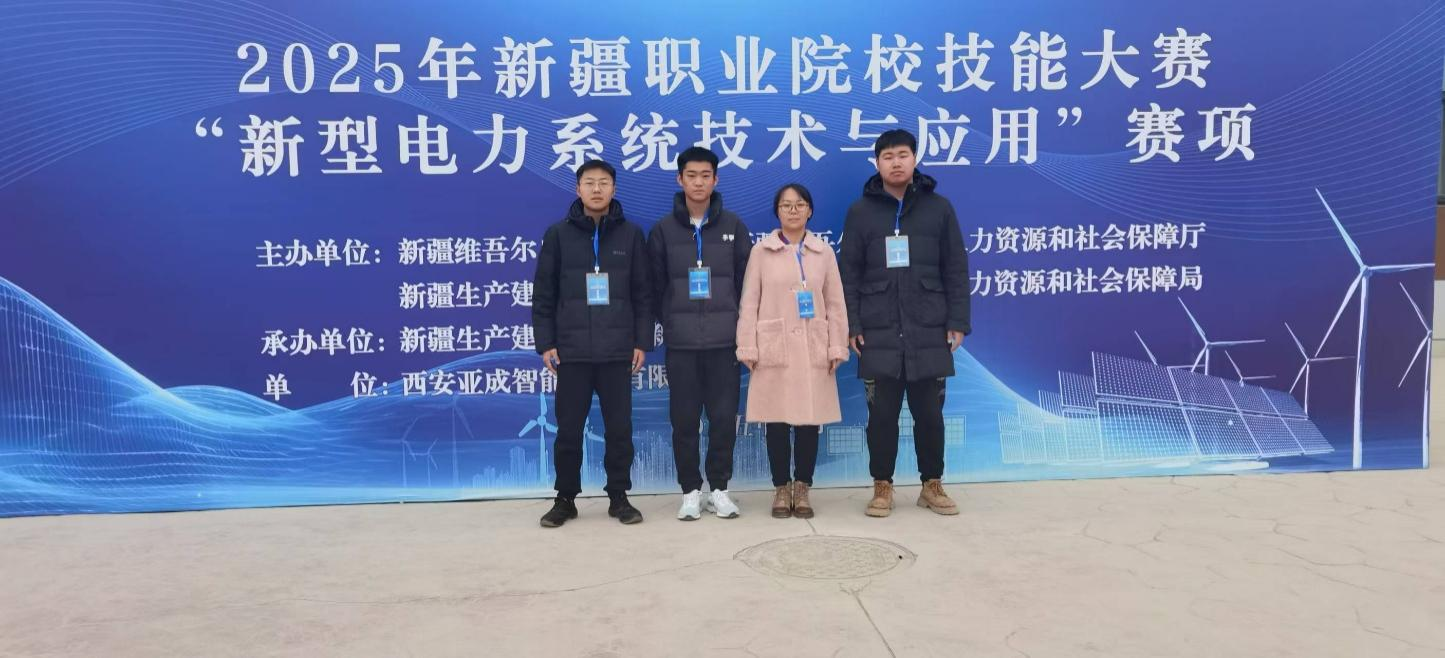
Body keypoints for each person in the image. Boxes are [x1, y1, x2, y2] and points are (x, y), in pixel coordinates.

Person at [839, 129, 971, 518]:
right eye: (888, 157)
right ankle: (882, 486)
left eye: (902, 155)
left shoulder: (939, 208)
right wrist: (852, 324)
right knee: (881, 417)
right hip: (877, 329)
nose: (896, 163)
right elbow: (849, 273)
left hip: (929, 326)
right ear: (877, 163)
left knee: (930, 415)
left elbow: (956, 268)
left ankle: (932, 484)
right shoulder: (860, 212)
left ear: (914, 159)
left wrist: (957, 320)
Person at [531, 159, 651, 527]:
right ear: (578, 188)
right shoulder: (558, 235)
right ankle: (565, 498)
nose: (596, 189)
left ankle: (619, 496)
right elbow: (544, 295)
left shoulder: (631, 235)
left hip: (617, 351)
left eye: (603, 183)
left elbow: (643, 294)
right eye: (589, 182)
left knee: (619, 429)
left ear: (614, 189)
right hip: (572, 352)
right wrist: (546, 343)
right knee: (568, 431)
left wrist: (641, 342)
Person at [648, 146, 753, 520]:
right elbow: (655, 286)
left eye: (705, 175)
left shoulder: (733, 227)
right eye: (691, 175)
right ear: (680, 179)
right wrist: (673, 322)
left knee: (724, 419)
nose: (698, 182)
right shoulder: (663, 230)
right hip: (682, 345)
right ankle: (690, 491)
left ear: (715, 179)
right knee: (684, 421)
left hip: (725, 343)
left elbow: (746, 284)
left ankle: (720, 489)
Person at [736, 183, 848, 519]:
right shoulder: (761, 252)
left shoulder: (823, 253)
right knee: (776, 422)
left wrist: (836, 344)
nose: (793, 210)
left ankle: (803, 486)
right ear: (777, 212)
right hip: (775, 346)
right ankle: (781, 488)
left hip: (813, 348)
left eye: (800, 204)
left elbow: (835, 303)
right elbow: (749, 301)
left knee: (809, 421)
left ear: (810, 210)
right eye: (786, 205)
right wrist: (748, 344)